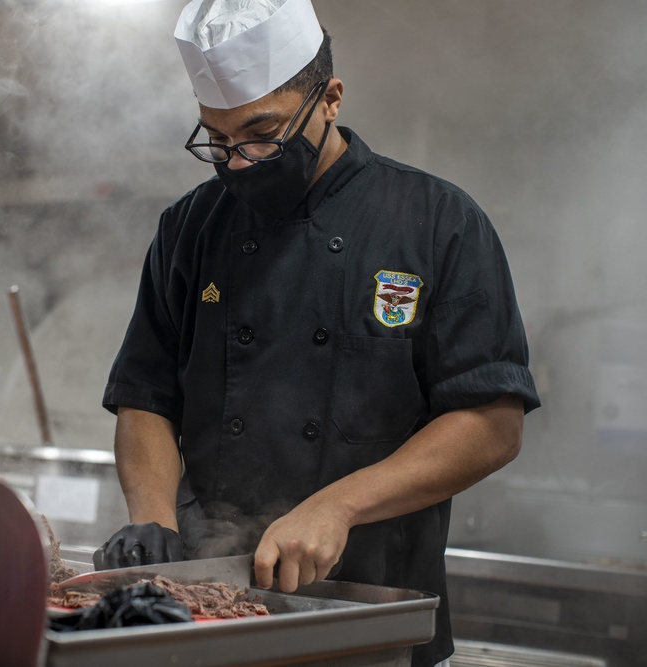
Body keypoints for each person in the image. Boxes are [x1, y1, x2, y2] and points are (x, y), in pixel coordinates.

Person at [97, 1, 540, 665]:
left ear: (330, 98)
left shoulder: (437, 222)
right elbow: (145, 397)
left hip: (375, 615)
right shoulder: (190, 228)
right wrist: (154, 518)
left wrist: (338, 505)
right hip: (209, 606)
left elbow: (491, 421)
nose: (239, 162)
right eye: (217, 141)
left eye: (262, 133)